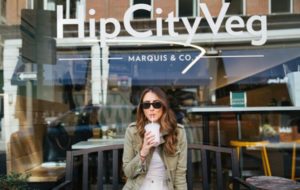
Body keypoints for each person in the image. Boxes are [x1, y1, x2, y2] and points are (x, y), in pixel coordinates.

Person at [122, 87, 187, 190]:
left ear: (164, 106)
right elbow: (128, 173)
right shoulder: (132, 131)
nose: (151, 108)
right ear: (142, 109)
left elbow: (180, 176)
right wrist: (143, 152)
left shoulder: (178, 132)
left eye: (156, 104)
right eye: (146, 105)